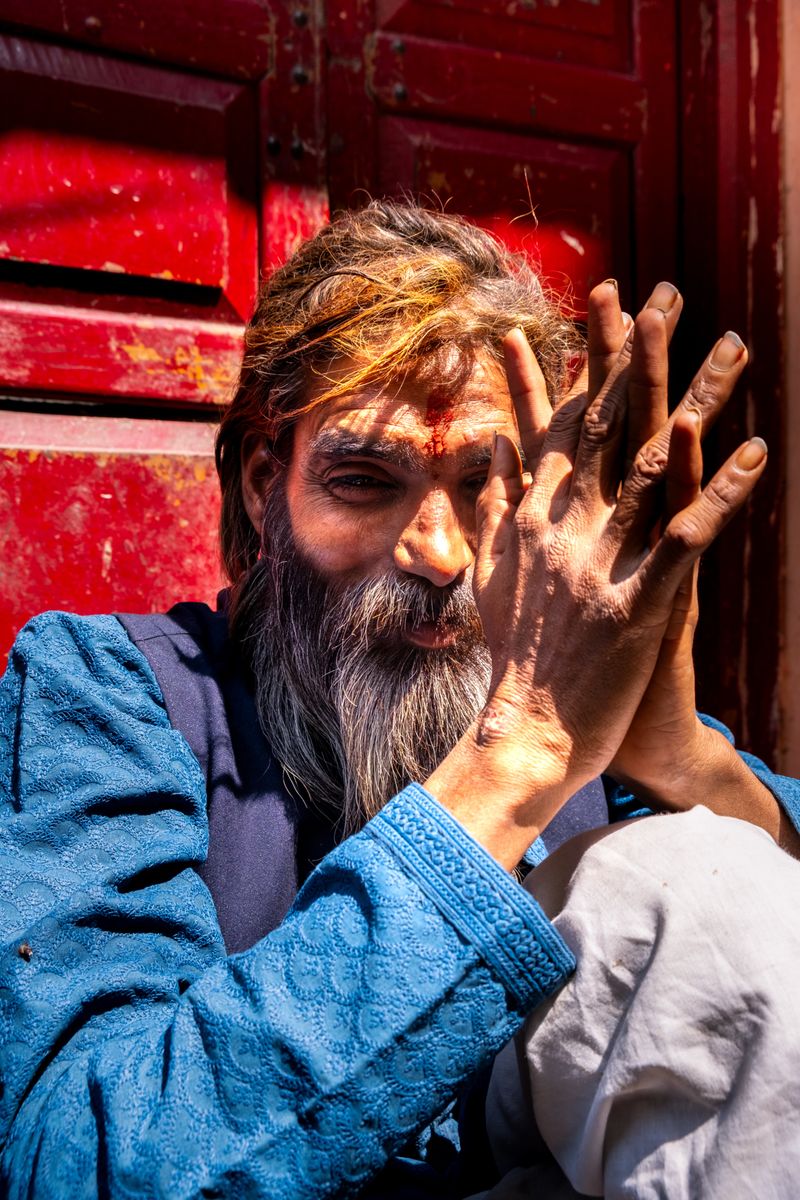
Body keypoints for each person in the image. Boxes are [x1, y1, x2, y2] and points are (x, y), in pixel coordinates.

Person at [0, 201, 798, 1199]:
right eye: (365, 481)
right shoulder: (117, 693)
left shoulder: (580, 710)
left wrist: (683, 758)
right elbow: (77, 1167)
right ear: (263, 482)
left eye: (486, 484)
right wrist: (510, 764)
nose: (440, 552)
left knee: (693, 877)